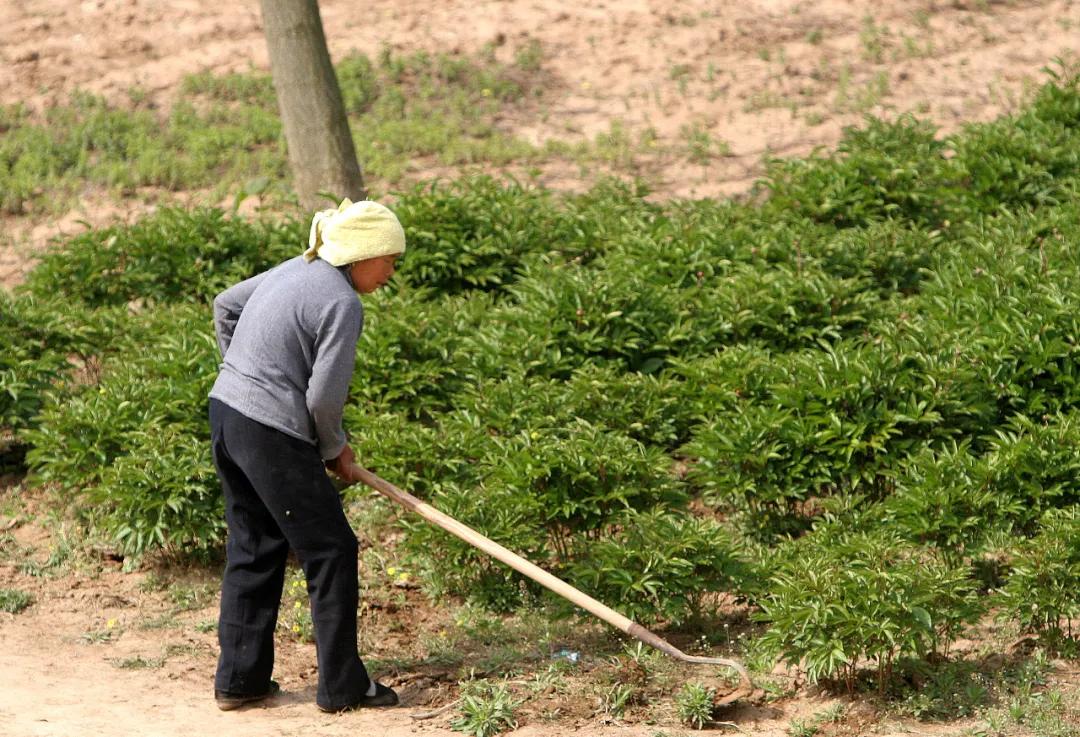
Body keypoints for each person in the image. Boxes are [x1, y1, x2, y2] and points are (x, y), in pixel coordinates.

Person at [207, 198, 404, 712]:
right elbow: (322, 399)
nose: (391, 272)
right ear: (364, 254)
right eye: (390, 259)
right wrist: (334, 447)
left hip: (227, 412)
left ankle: (240, 681)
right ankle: (342, 686)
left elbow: (226, 304)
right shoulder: (342, 303)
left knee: (256, 543)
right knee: (331, 548)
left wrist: (246, 375)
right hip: (267, 430)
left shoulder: (299, 266)